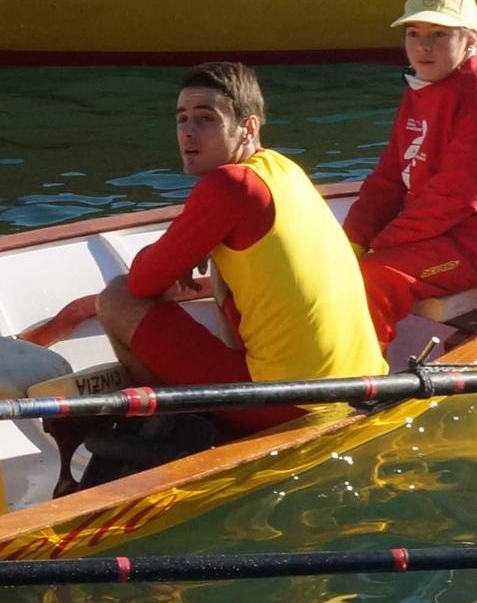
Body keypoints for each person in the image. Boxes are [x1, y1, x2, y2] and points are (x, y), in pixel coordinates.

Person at [23, 62, 384, 437]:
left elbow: (142, 284)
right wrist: (191, 247)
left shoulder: (230, 185)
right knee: (218, 278)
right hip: (363, 383)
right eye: (182, 119)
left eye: (206, 119)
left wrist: (177, 248)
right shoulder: (283, 169)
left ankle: (167, 428)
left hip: (289, 405)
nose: (188, 133)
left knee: (117, 298)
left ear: (249, 128)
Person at [343, 0, 477, 345]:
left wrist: (381, 246)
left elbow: (454, 198)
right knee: (327, 260)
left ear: (469, 39)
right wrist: (351, 239)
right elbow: (389, 177)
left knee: (372, 275)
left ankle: (360, 384)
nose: (423, 45)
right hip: (438, 234)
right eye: (414, 33)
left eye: (439, 34)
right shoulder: (422, 87)